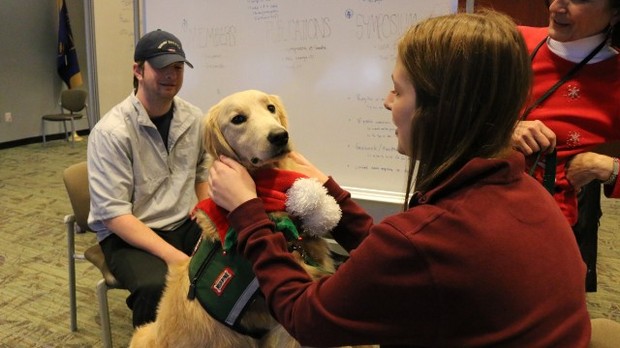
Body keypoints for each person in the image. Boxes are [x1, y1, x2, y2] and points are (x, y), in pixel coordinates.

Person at [206, 11, 591, 347]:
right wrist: (334, 194)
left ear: (440, 111)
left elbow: (306, 318)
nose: (388, 101)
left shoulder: (425, 238)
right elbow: (400, 258)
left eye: (398, 89)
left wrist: (248, 214)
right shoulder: (527, 191)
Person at [87, 29, 209, 327]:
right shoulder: (111, 132)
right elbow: (114, 215)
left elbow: (201, 171)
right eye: (162, 67)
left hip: (183, 221)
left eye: (178, 68)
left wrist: (209, 216)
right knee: (157, 288)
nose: (171, 75)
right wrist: (177, 259)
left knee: (234, 261)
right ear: (138, 70)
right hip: (130, 234)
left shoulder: (194, 119)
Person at [513, 0, 620, 291]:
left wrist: (606, 167)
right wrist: (505, 129)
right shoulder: (513, 41)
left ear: (616, 11)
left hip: (548, 227)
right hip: (479, 204)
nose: (557, 6)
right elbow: (453, 110)